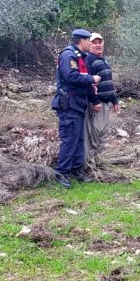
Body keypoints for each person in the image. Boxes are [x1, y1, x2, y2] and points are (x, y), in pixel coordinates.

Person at [51, 29, 100, 188]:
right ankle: (61, 172)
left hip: (78, 104)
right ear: (82, 41)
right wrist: (92, 78)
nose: (91, 44)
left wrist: (94, 100)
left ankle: (76, 169)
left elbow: (84, 85)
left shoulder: (80, 58)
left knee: (79, 140)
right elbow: (70, 76)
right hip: (69, 104)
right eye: (89, 41)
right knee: (69, 140)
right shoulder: (68, 55)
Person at [83, 32, 119, 171]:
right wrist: (95, 101)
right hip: (95, 104)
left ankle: (97, 162)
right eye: (94, 42)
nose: (98, 45)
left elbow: (108, 82)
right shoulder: (89, 60)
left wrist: (114, 100)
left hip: (105, 103)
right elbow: (88, 84)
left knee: (102, 133)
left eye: (100, 42)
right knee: (93, 134)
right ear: (90, 44)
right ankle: (88, 165)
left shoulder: (103, 60)